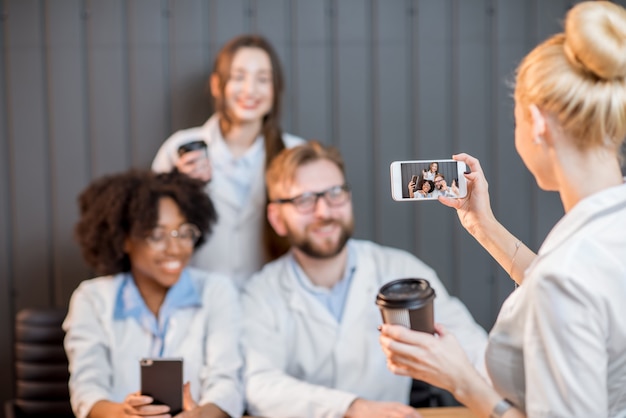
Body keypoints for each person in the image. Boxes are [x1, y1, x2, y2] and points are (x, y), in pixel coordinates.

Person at [379, 2, 626, 417]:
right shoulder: (599, 241)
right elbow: (591, 292)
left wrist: (462, 381)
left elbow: (567, 286)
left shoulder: (564, 277)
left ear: (536, 121)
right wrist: (483, 226)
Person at [241, 141, 488, 418]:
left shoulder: (400, 270)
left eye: (335, 193)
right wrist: (352, 408)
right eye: (304, 200)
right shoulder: (260, 293)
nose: (324, 212)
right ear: (277, 218)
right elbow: (258, 384)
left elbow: (474, 349)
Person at [63, 170, 244, 418]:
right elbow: (87, 389)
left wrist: (202, 415)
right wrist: (122, 413)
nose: (175, 249)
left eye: (184, 233)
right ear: (124, 240)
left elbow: (227, 381)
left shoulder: (216, 291)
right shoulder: (92, 299)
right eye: (157, 235)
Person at [152, 34, 305, 289]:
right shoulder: (177, 149)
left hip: (273, 300)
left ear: (275, 89)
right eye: (239, 77)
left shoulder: (296, 153)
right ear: (217, 85)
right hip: (196, 297)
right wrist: (181, 191)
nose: (250, 90)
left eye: (263, 79)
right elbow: (153, 234)